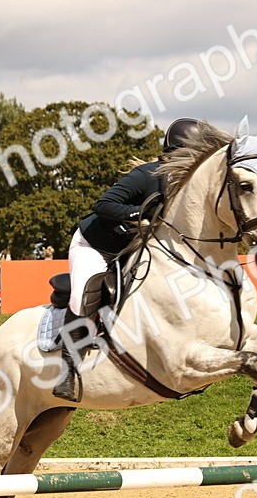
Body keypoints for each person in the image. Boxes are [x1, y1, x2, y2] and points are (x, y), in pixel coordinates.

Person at [55, 117, 201, 402]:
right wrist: (142, 214)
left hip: (132, 246)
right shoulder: (147, 175)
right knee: (83, 295)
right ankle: (67, 370)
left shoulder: (187, 188)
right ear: (176, 153)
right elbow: (104, 204)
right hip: (96, 244)